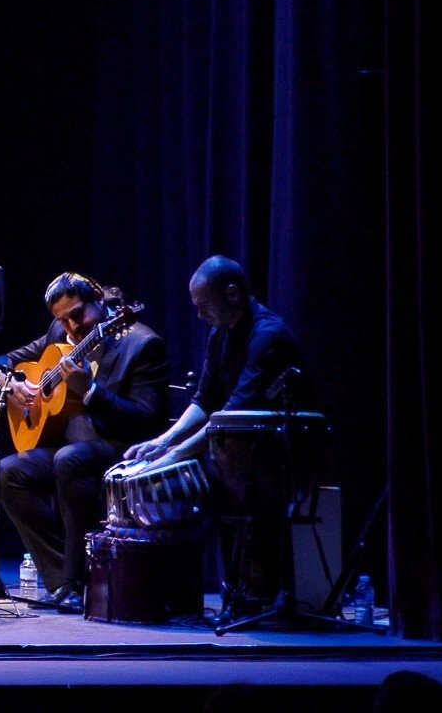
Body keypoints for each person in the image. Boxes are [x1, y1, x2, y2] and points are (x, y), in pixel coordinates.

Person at [123, 254, 311, 614]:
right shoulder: (219, 334)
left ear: (232, 294)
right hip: (237, 450)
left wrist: (177, 455)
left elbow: (232, 413)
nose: (199, 315)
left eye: (204, 306)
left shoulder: (267, 335)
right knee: (184, 475)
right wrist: (164, 442)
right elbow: (206, 399)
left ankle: (253, 594)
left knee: (202, 483)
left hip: (278, 453)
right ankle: (220, 594)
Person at [0, 271, 171, 614]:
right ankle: (63, 581)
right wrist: (10, 382)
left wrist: (89, 392)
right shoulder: (59, 333)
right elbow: (0, 362)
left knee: (69, 460)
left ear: (99, 300)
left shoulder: (142, 344)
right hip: (75, 446)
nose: (72, 328)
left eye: (77, 315)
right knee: (9, 471)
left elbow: (146, 419)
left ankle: (78, 579)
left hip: (123, 449)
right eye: (63, 320)